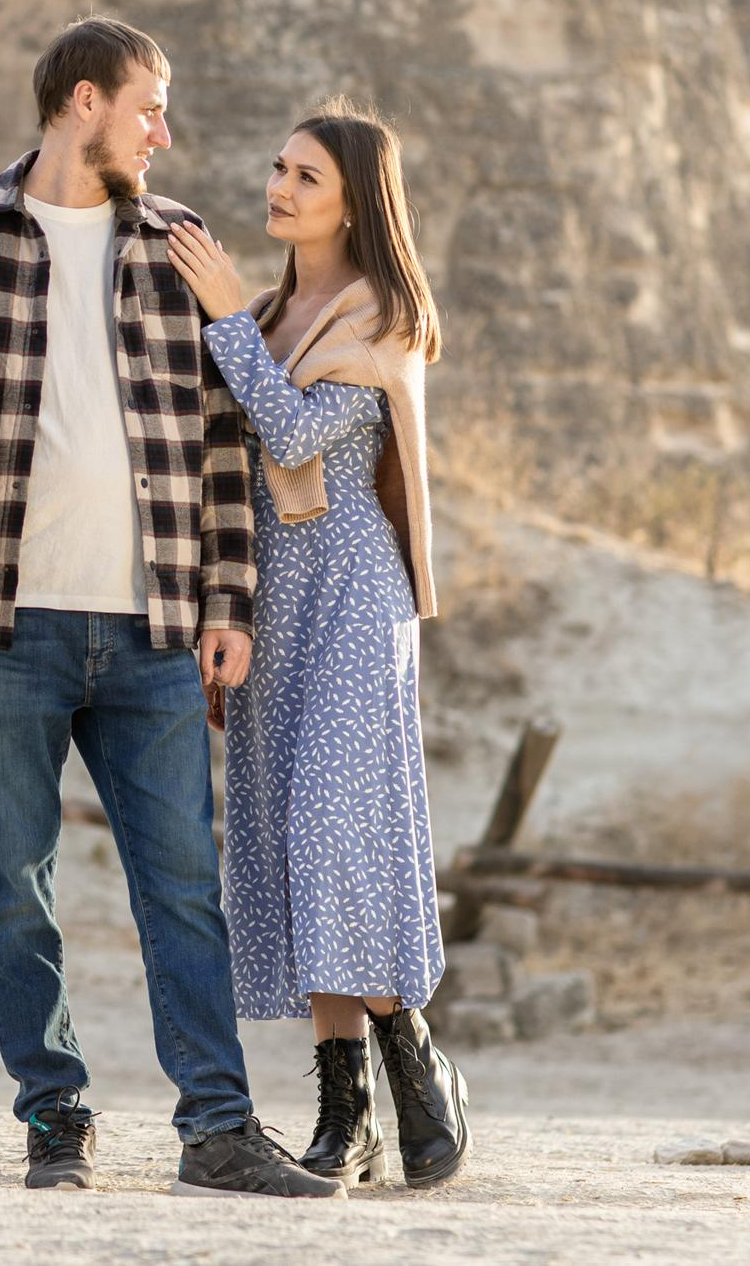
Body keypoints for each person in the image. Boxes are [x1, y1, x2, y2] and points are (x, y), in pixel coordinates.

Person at [0, 17, 338, 1198]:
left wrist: (230, 602)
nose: (167, 133)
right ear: (86, 103)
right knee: (19, 887)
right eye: (151, 108)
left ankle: (215, 1127)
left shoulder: (179, 248)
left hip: (154, 628)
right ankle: (53, 1119)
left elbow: (219, 447)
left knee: (182, 891)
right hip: (7, 625)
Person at [163, 99, 470, 1189]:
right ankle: (347, 1110)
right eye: (278, 166)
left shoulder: (380, 315)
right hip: (266, 607)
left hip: (351, 597)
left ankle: (415, 1057)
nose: (280, 188)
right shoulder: (265, 313)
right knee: (289, 851)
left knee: (330, 835)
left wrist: (216, 319)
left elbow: (291, 433)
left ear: (354, 201)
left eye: (306, 177)